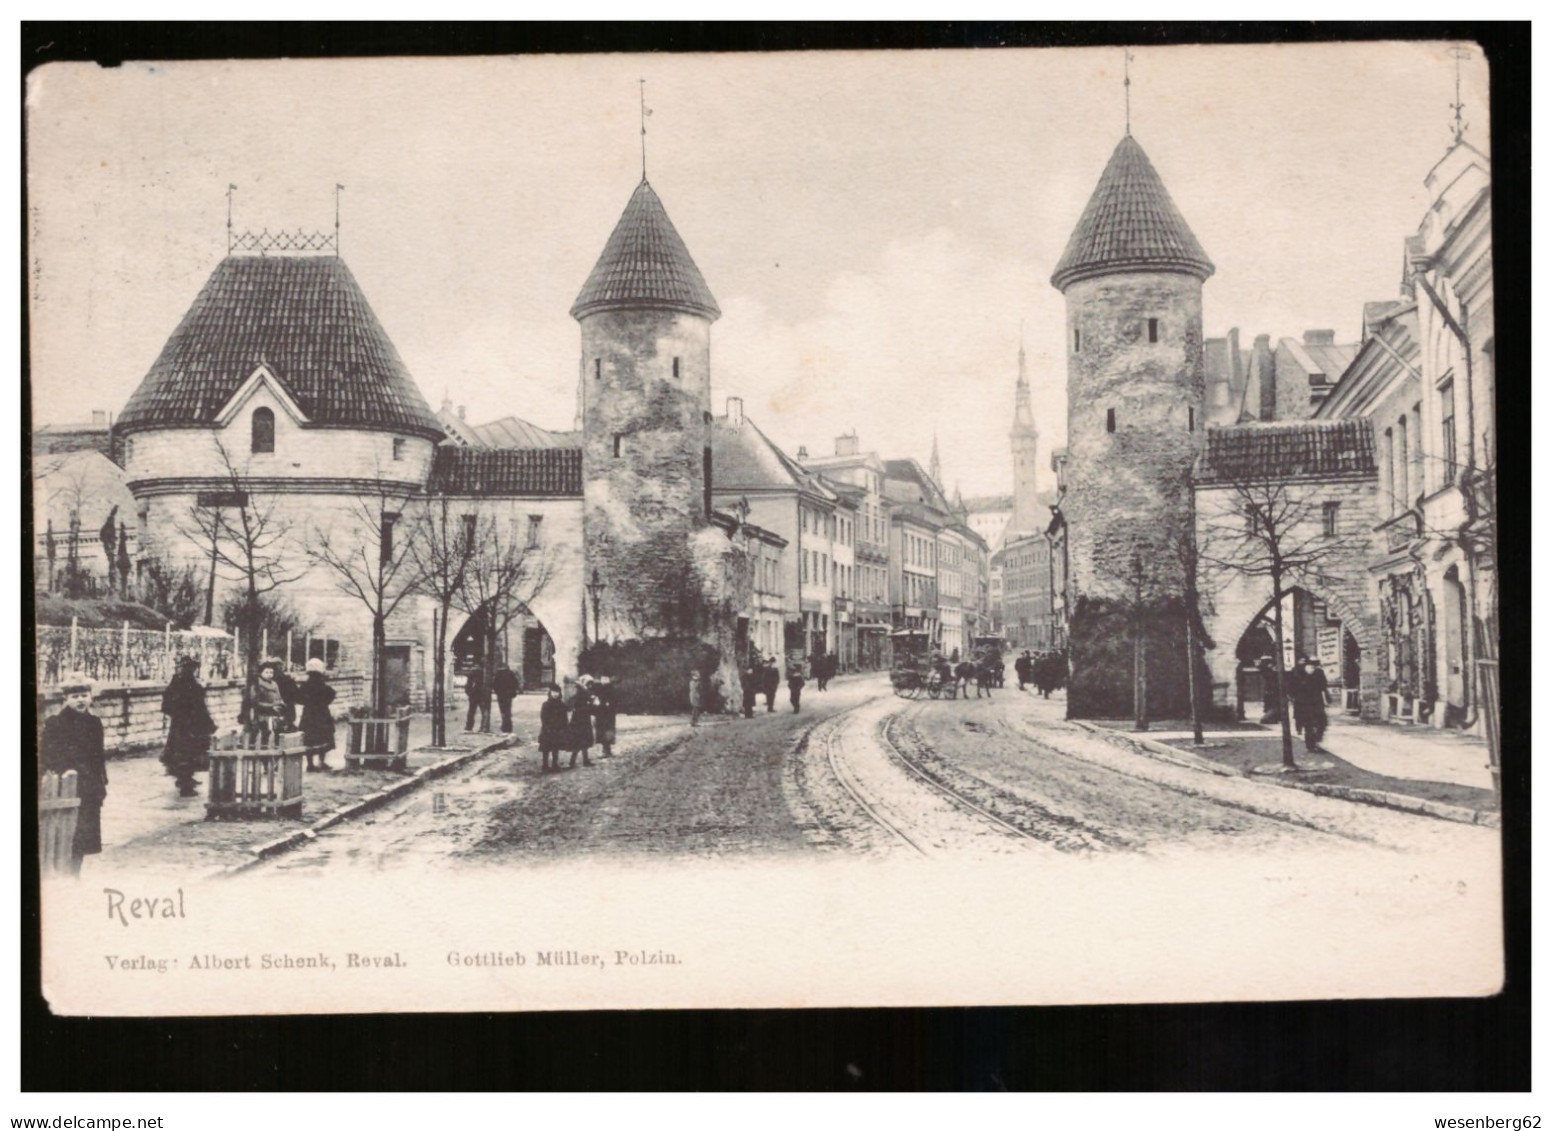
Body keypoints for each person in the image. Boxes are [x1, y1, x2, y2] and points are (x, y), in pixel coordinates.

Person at [40, 676, 108, 876]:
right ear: (66, 699)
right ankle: (60, 873)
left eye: (84, 695)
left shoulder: (95, 723)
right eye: (75, 696)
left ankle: (74, 873)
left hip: (89, 786)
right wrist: (64, 770)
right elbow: (48, 753)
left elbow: (99, 756)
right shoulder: (56, 723)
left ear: (90, 697)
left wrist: (102, 783)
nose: (80, 700)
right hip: (66, 784)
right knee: (63, 832)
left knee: (84, 835)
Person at [160, 657, 215, 797]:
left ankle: (185, 779)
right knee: (188, 754)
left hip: (179, 725)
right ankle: (186, 787)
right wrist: (208, 724)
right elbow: (200, 708)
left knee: (182, 753)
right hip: (190, 726)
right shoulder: (191, 686)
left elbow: (166, 706)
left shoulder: (176, 684)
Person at [294, 658, 337, 771]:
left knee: (309, 738)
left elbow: (298, 698)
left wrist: (308, 702)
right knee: (323, 737)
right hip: (322, 713)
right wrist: (324, 703)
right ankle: (321, 762)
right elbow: (331, 693)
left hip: (309, 714)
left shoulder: (305, 685)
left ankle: (310, 764)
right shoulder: (322, 684)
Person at [1289, 656, 1331, 753]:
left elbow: (1323, 685)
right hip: (1303, 702)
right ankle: (1311, 745)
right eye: (1311, 665)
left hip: (1316, 701)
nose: (1313, 667)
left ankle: (1315, 740)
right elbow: (1292, 686)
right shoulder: (1297, 672)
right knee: (1309, 725)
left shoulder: (1319, 672)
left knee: (1322, 722)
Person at [247, 660, 287, 739]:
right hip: (261, 714)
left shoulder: (274, 684)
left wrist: (281, 704)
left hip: (275, 713)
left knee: (277, 732)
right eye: (267, 672)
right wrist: (271, 706)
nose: (269, 675)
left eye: (271, 672)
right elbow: (254, 702)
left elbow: (278, 697)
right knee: (262, 733)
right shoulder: (257, 684)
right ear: (261, 672)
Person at [538, 684, 568, 773]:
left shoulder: (562, 705)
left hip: (558, 729)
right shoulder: (546, 704)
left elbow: (564, 717)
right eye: (553, 692)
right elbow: (543, 717)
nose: (555, 694)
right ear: (550, 693)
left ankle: (555, 764)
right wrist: (546, 727)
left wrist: (564, 727)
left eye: (557, 692)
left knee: (556, 747)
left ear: (560, 693)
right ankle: (545, 765)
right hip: (548, 729)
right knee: (546, 748)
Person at [568, 679, 595, 768]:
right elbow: (578, 705)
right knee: (579, 740)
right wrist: (590, 703)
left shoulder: (584, 692)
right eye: (588, 684)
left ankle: (583, 760)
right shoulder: (581, 693)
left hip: (583, 719)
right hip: (579, 720)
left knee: (583, 741)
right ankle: (574, 761)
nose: (589, 686)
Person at [592, 678, 618, 757]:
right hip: (600, 714)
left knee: (608, 731)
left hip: (609, 715)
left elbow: (615, 702)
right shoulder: (598, 689)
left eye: (606, 679)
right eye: (603, 678)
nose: (604, 680)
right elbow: (595, 701)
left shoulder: (612, 690)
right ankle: (604, 750)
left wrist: (610, 706)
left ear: (609, 680)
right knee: (602, 731)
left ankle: (608, 750)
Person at [492, 663, 521, 734]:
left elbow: (495, 685)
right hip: (509, 695)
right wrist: (513, 693)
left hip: (501, 695)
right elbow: (515, 684)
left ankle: (504, 726)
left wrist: (497, 692)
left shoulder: (498, 674)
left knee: (503, 710)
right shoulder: (511, 674)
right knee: (508, 710)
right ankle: (508, 726)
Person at [464, 665, 490, 733]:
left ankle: (469, 727)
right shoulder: (484, 673)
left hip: (473, 695)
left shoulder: (472, 673)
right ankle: (484, 727)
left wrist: (468, 692)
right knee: (484, 711)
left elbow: (468, 684)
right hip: (482, 694)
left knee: (471, 711)